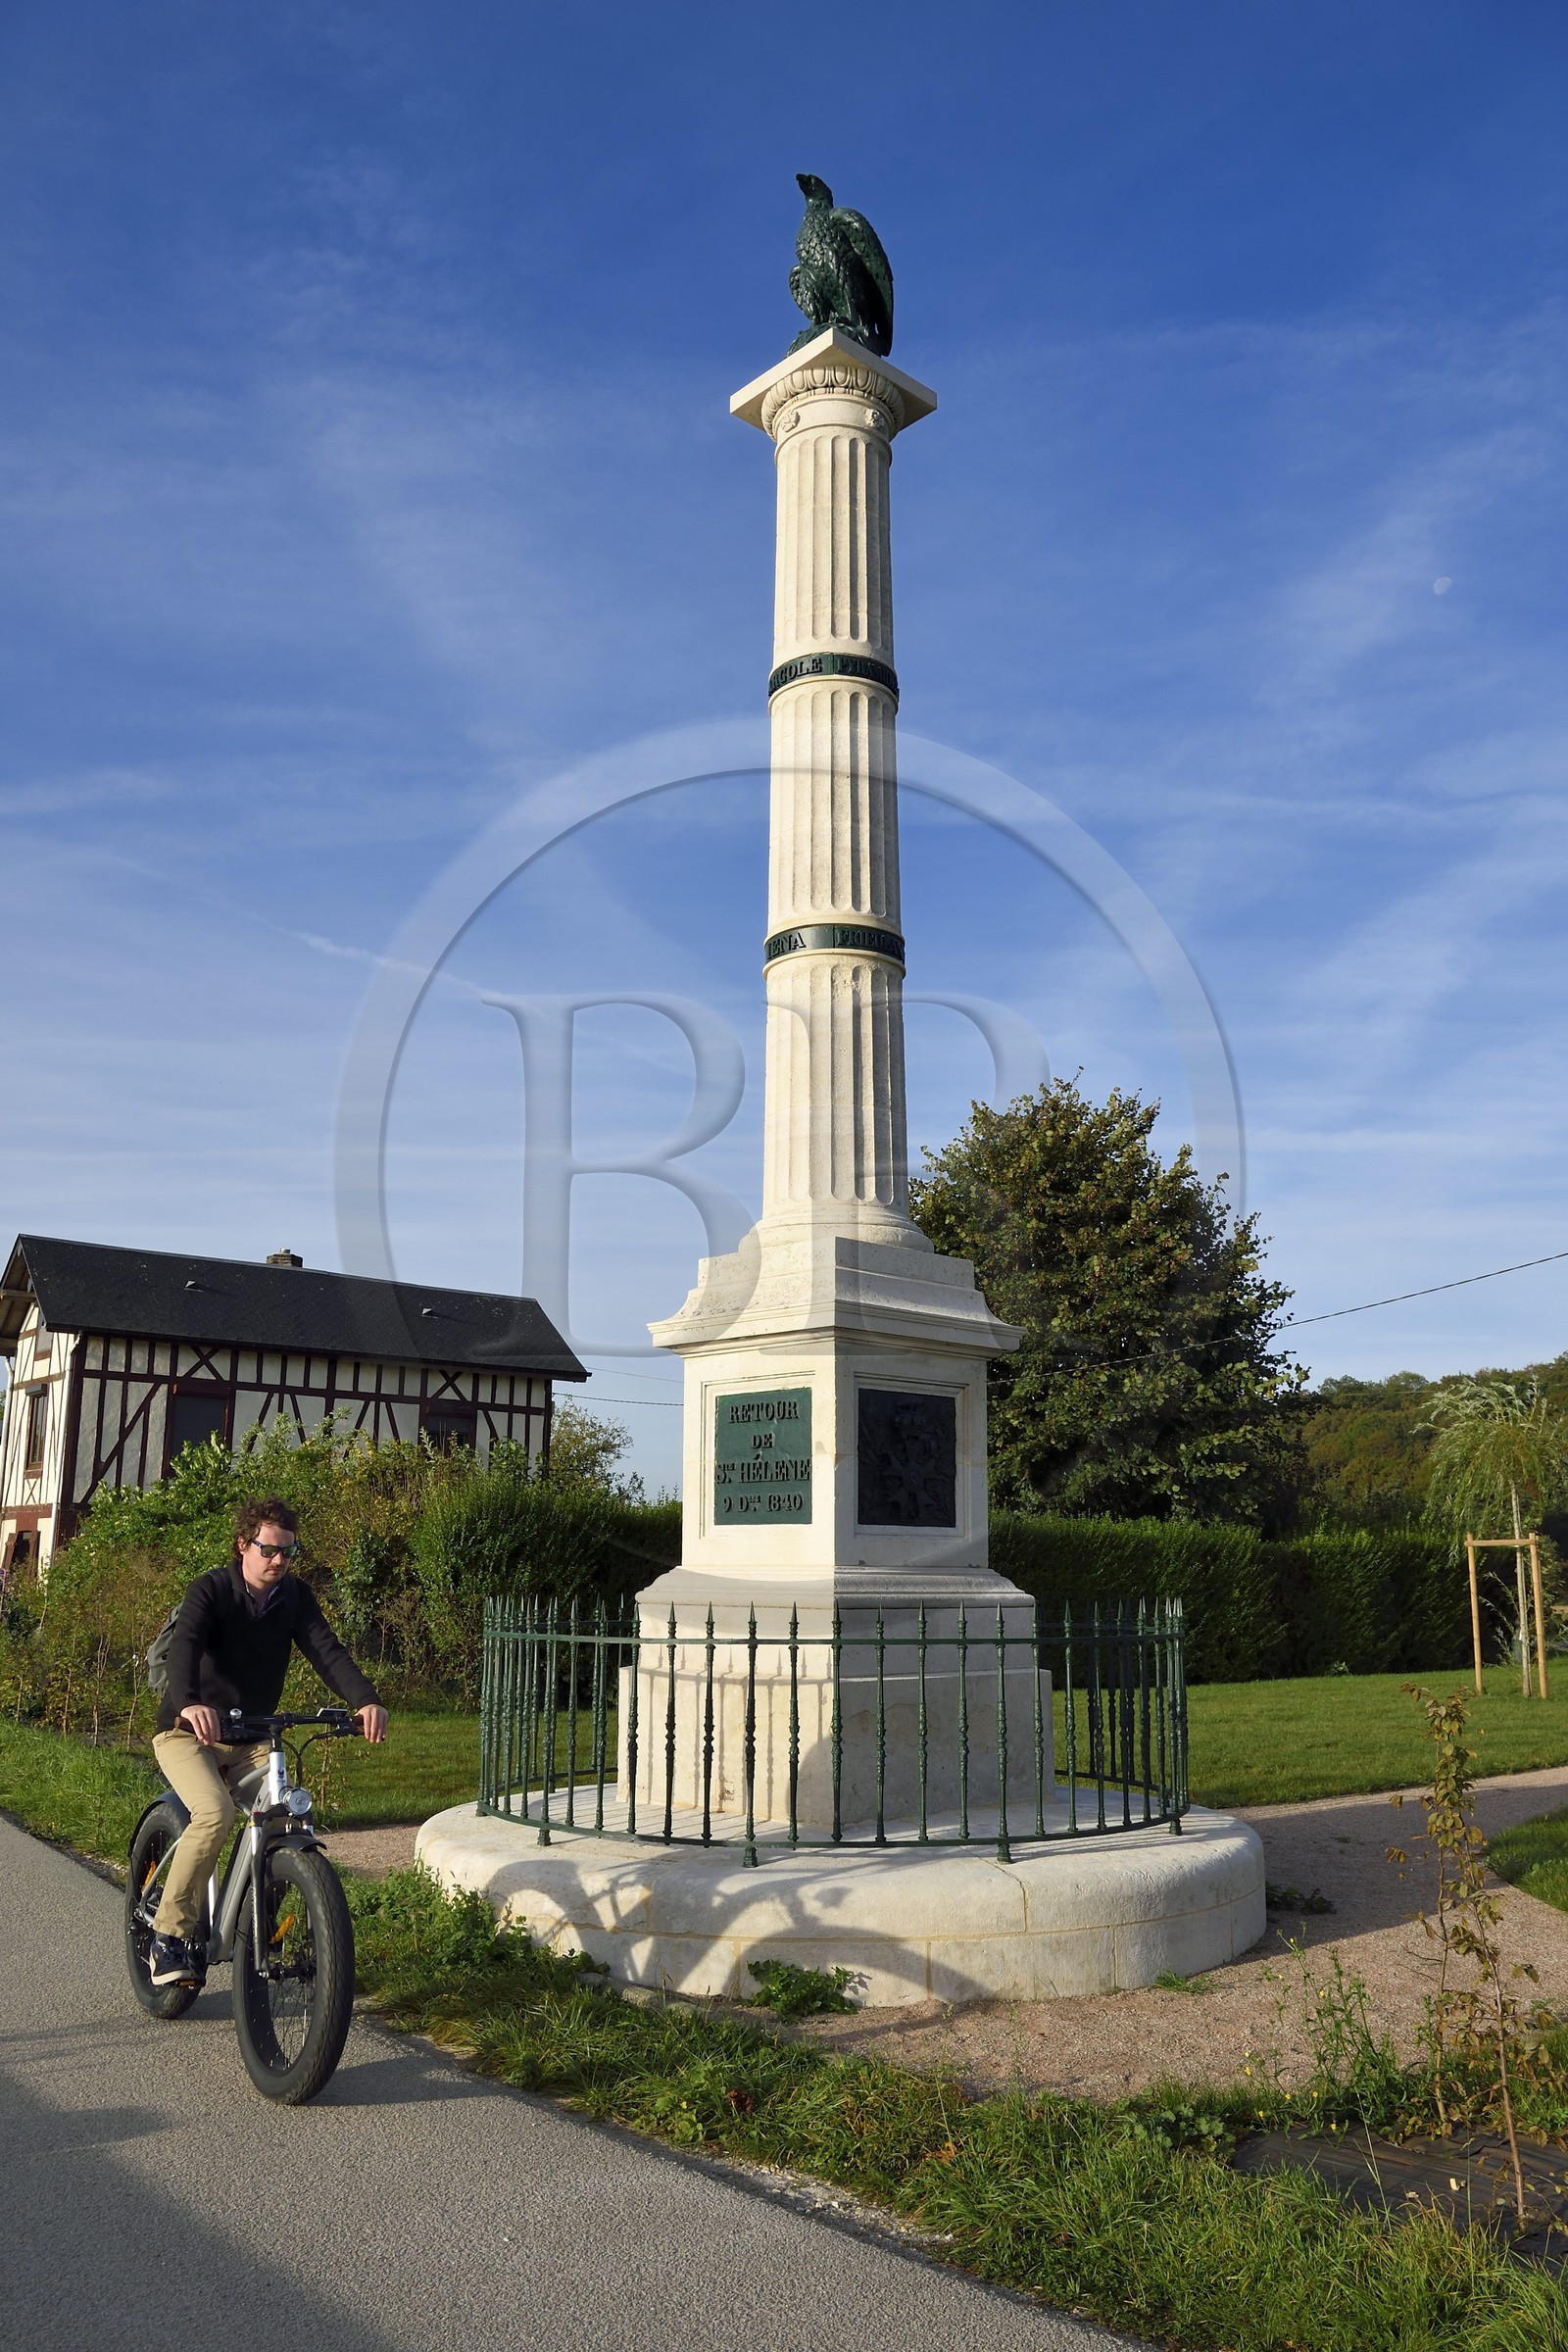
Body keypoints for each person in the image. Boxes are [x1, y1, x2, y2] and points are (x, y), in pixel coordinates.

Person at [147, 1495, 386, 1986]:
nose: (279, 1561)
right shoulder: (211, 1589)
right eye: (269, 1550)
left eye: (288, 1552)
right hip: (188, 1731)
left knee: (290, 1818)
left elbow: (326, 1649)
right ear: (244, 1545)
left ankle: (257, 1930)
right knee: (215, 1814)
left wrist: (366, 1699)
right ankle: (168, 1936)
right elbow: (186, 1647)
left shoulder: (293, 1597)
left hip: (252, 1734)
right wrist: (190, 1701)